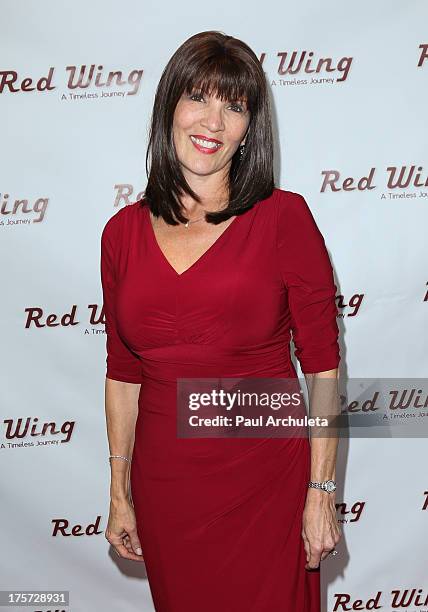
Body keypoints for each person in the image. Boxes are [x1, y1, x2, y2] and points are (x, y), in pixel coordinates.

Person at [101, 30, 342, 612]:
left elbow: (324, 369)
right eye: (198, 98)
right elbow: (122, 371)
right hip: (168, 487)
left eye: (234, 106)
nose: (212, 121)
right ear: (169, 109)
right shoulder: (121, 234)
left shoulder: (285, 217)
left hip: (268, 480)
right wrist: (119, 488)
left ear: (249, 128)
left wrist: (320, 491)